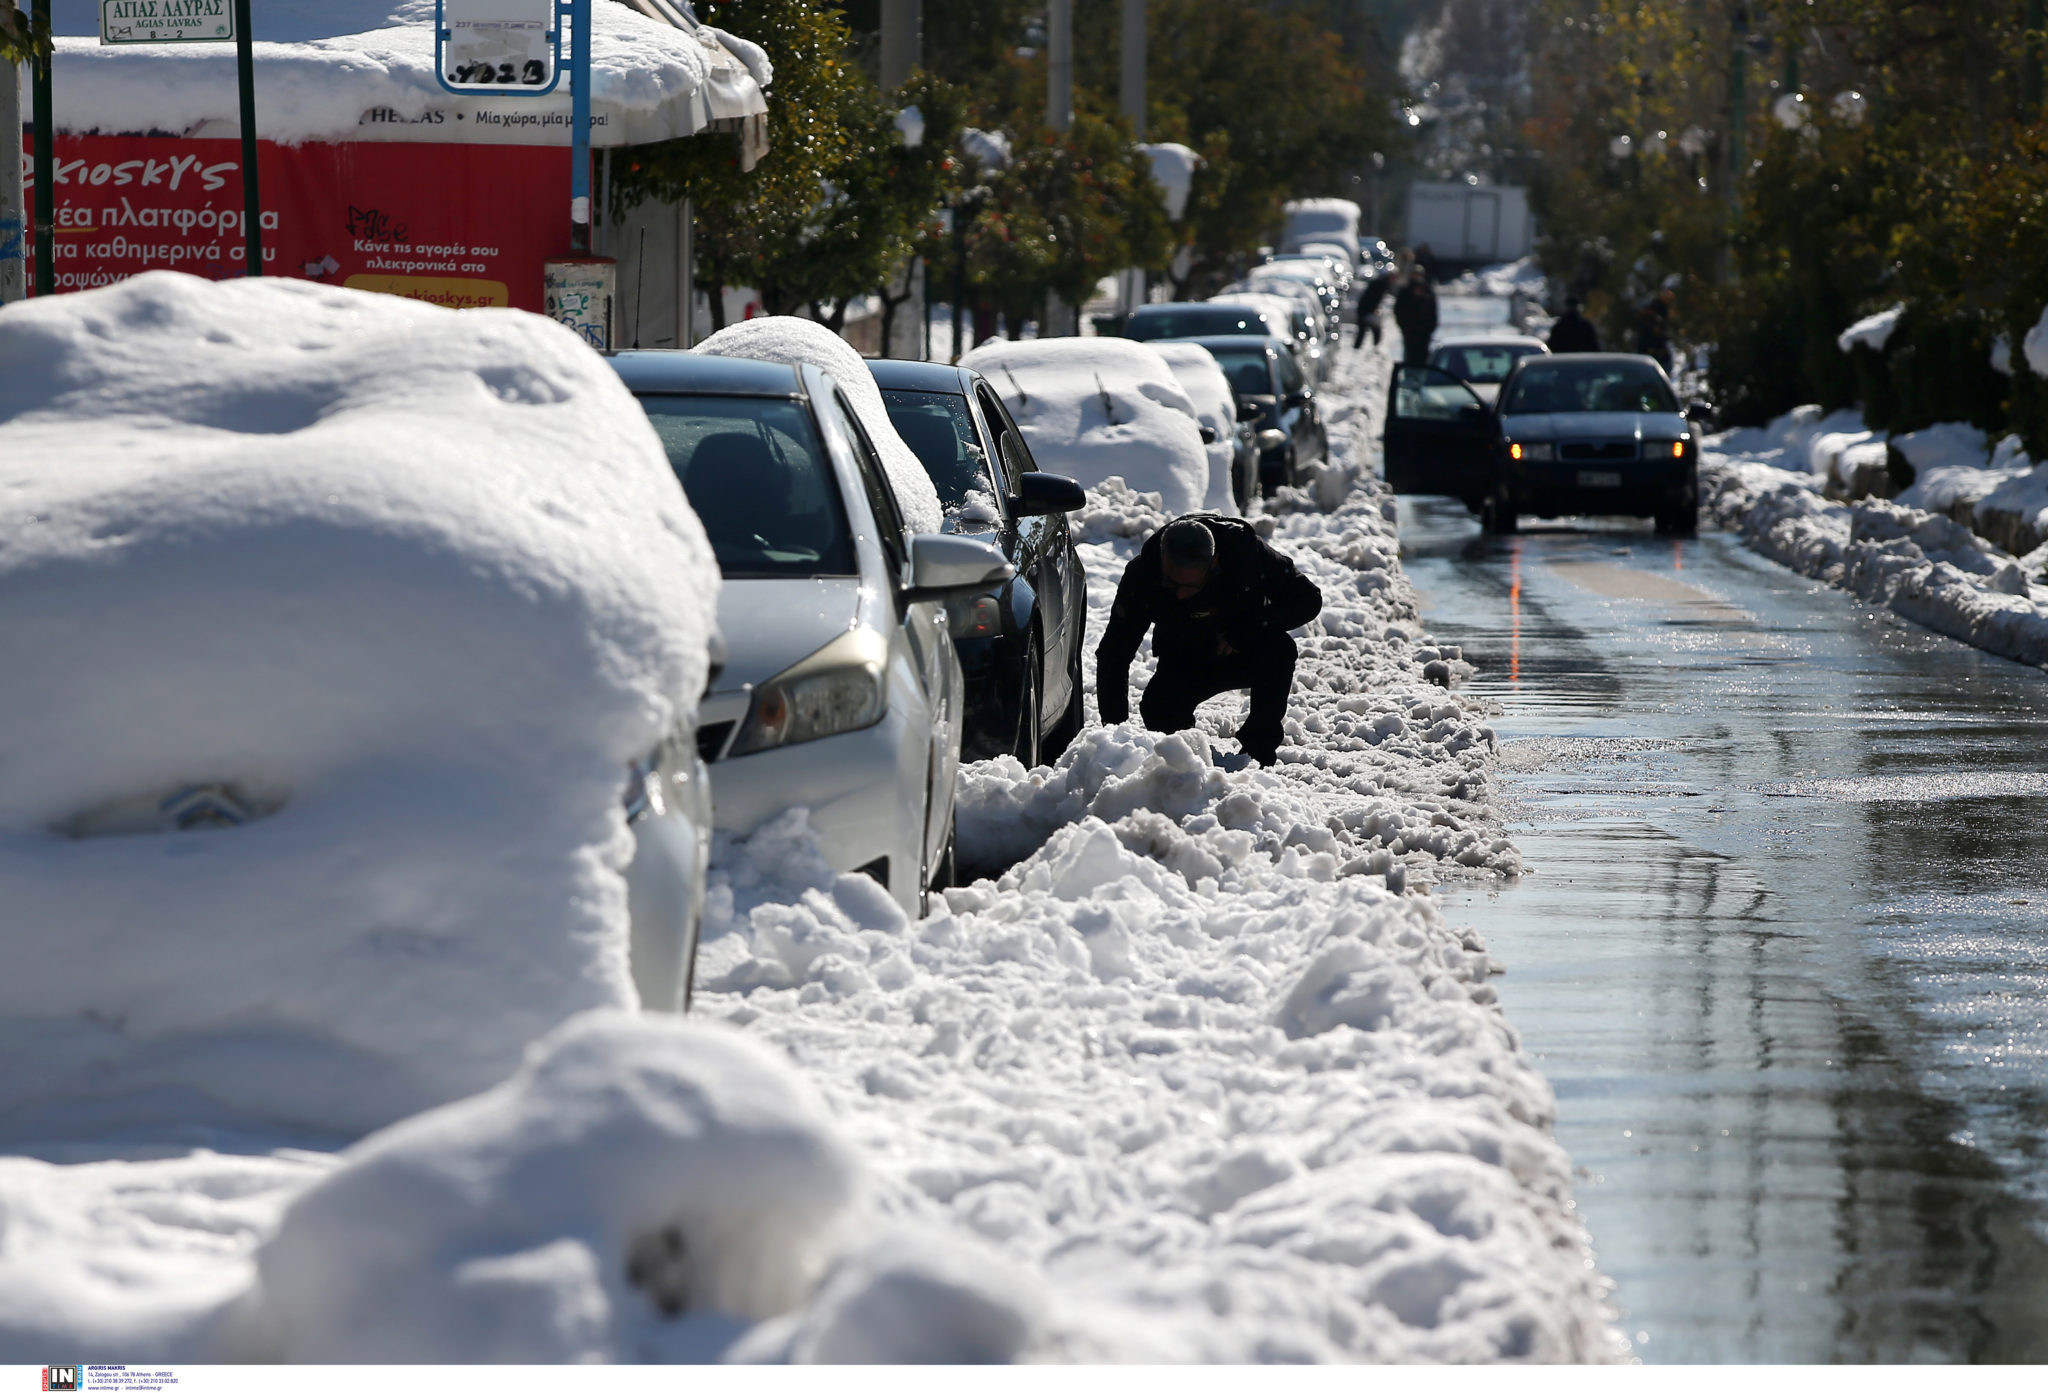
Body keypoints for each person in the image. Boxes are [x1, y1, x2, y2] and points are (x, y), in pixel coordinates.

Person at [1096, 515, 1323, 766]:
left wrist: (1252, 626)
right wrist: (1115, 735)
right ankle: (1186, 743)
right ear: (1162, 560)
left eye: (1190, 586)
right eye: (1171, 584)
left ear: (1214, 563)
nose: (1181, 594)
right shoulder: (1143, 574)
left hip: (1242, 650)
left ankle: (1259, 751)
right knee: (1158, 711)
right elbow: (1114, 653)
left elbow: (1308, 598)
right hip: (1185, 657)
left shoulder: (1247, 555)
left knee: (1278, 649)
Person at [1392, 268, 1438, 367]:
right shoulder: (1405, 292)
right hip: (1410, 332)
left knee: (1423, 357)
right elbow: (1398, 311)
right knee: (1410, 356)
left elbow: (1433, 312)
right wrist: (1404, 327)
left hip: (1424, 332)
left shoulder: (1428, 291)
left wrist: (1431, 328)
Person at [1352, 268, 1396, 349]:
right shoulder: (1381, 284)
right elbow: (1373, 298)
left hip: (1367, 309)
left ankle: (1369, 347)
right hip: (1365, 309)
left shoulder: (1382, 283)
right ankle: (1370, 347)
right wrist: (1373, 310)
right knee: (1367, 329)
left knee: (1368, 330)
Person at [1634, 287, 1675, 373]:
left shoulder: (1663, 312)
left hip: (1658, 354)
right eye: (1667, 296)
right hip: (1651, 354)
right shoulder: (1653, 313)